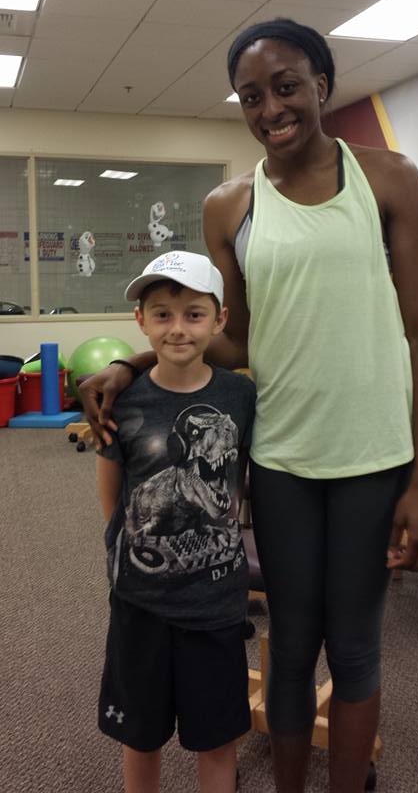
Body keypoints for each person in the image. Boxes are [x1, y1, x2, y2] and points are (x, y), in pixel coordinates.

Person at [81, 18, 418, 793]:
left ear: (321, 85)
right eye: (251, 96)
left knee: (353, 647)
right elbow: (232, 337)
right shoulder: (230, 205)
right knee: (291, 640)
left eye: (286, 87)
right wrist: (133, 359)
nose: (270, 107)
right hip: (279, 456)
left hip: (374, 456)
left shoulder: (389, 179)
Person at [95, 250, 256, 793]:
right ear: (141, 322)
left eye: (193, 313)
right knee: (140, 738)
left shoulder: (240, 396)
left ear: (220, 320)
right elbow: (112, 497)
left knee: (217, 740)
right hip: (141, 603)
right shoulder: (121, 401)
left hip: (216, 605)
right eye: (161, 314)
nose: (178, 328)